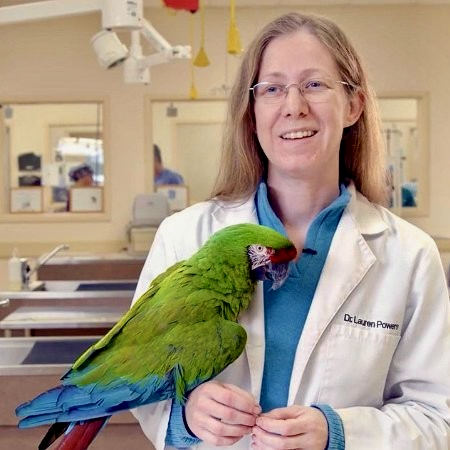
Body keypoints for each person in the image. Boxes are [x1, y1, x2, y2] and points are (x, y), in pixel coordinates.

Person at [131, 12, 450, 450]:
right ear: (253, 110)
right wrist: (186, 413)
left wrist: (338, 434)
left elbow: (436, 417)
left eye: (315, 85)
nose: (293, 105)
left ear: (353, 105)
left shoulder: (410, 255)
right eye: (273, 88)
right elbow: (140, 379)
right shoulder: (184, 236)